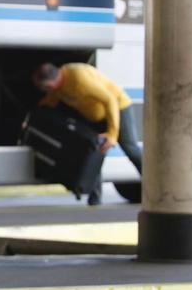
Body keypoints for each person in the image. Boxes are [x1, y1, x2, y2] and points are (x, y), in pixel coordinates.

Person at [33, 61, 143, 205]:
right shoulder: (58, 88)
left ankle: (154, 186)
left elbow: (110, 100)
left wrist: (112, 134)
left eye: (45, 87)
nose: (45, 90)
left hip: (117, 109)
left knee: (130, 148)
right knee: (93, 154)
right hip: (95, 117)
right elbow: (51, 101)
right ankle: (95, 198)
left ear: (51, 82)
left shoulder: (78, 79)